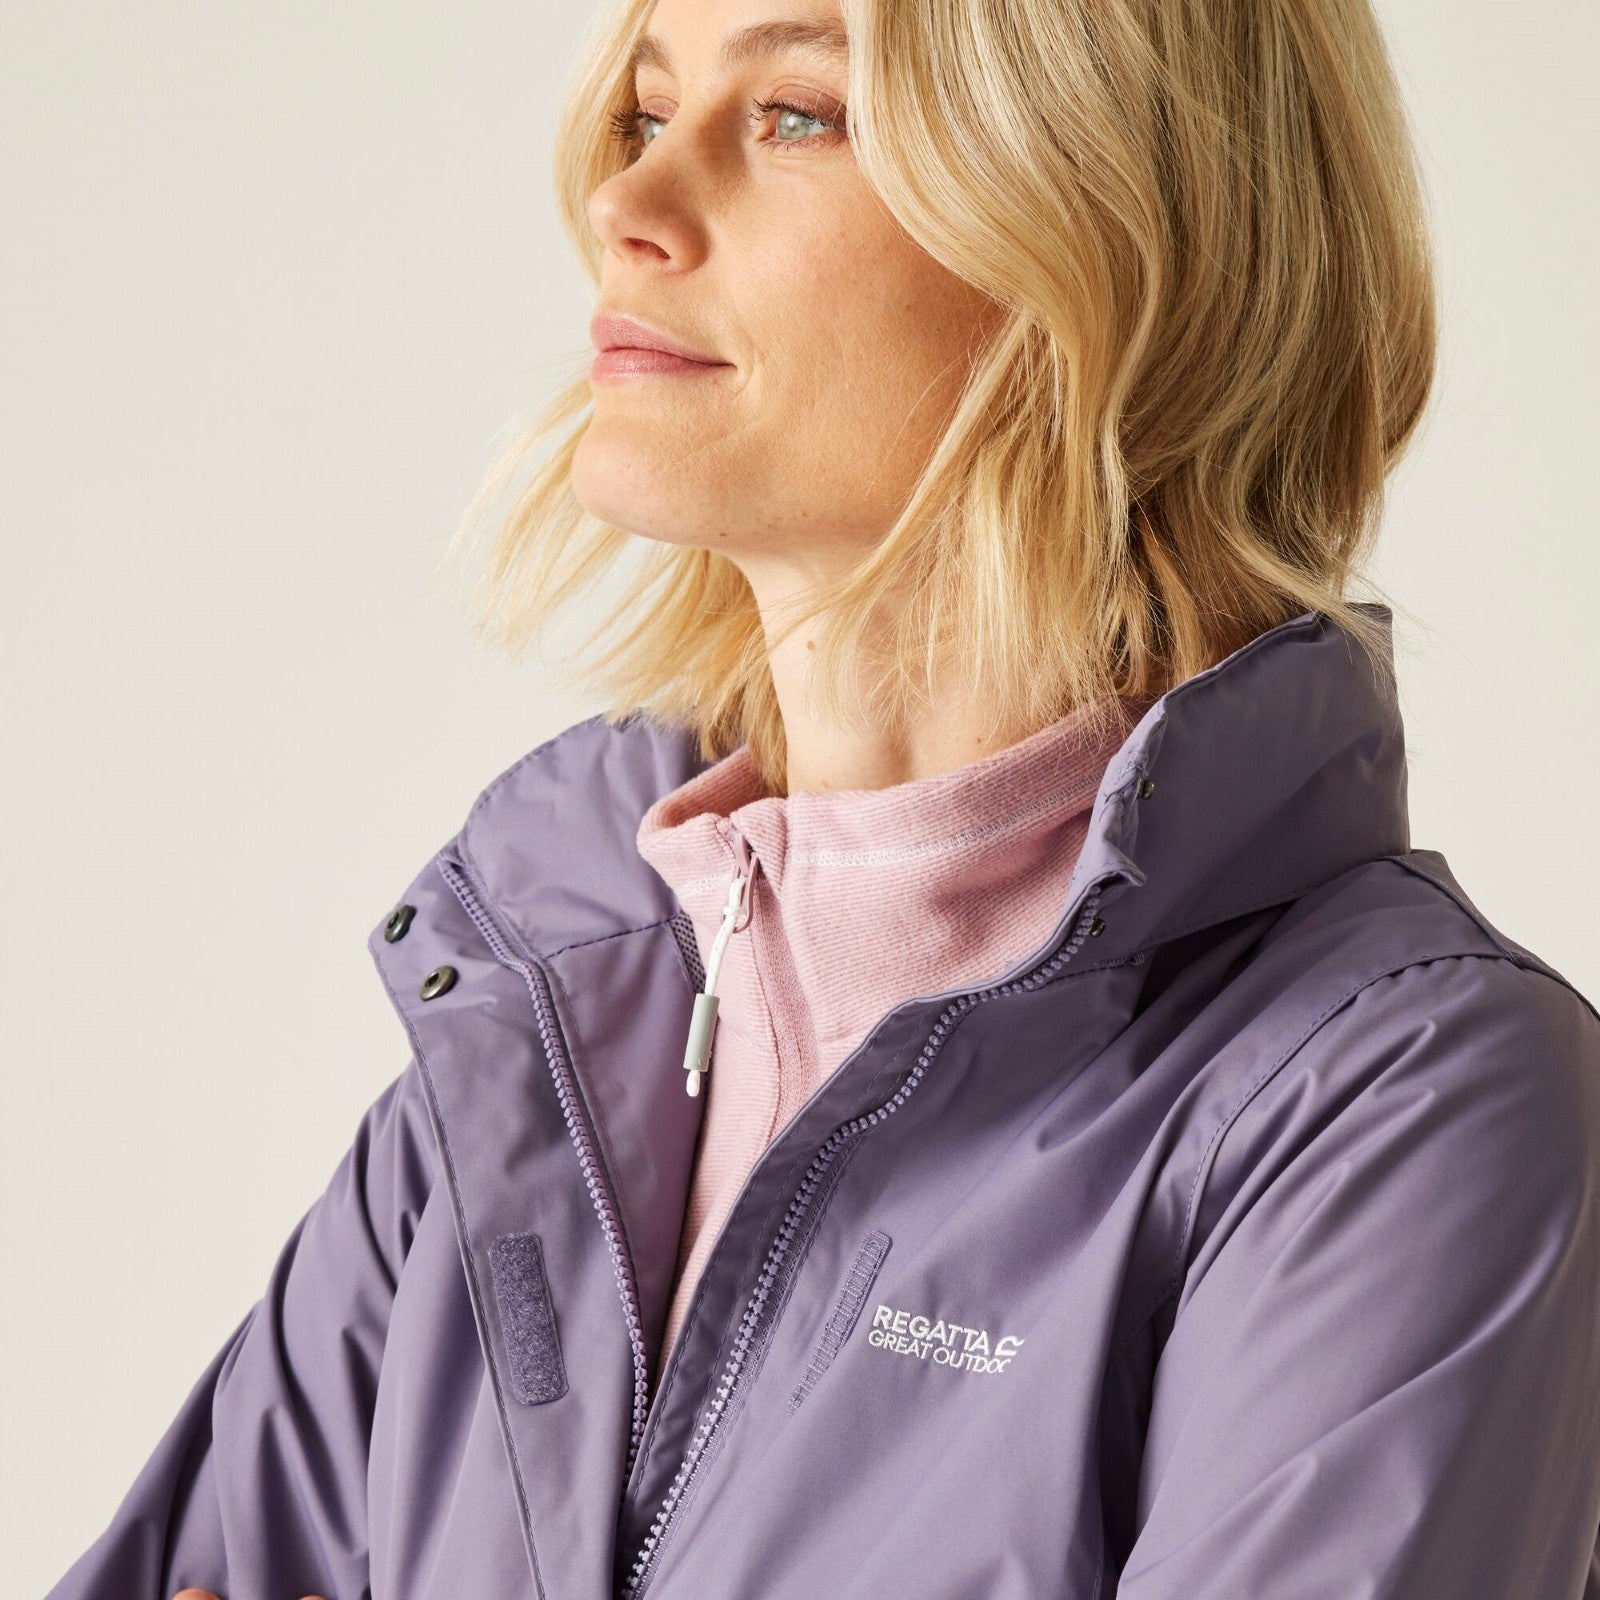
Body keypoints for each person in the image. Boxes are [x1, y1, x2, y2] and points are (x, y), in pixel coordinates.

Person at [45, 0, 1600, 1595]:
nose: (627, 204)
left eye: (795, 116)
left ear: (1126, 231)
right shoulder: (532, 1052)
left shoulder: (1396, 1114)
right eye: (648, 116)